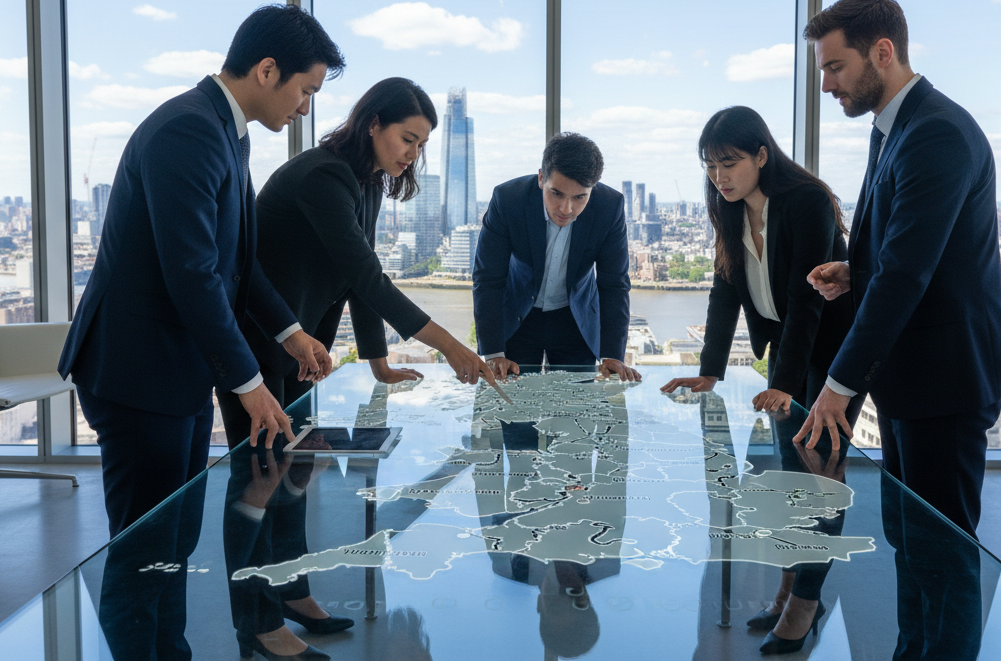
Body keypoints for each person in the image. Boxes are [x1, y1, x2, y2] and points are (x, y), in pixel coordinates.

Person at [57, 4, 341, 661]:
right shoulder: (187, 132)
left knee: (175, 543)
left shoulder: (226, 132)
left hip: (175, 372)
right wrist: (249, 386)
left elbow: (236, 266)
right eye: (305, 90)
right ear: (267, 70)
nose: (305, 107)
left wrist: (293, 335)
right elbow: (194, 276)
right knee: (143, 551)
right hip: (136, 374)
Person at [214, 76, 500, 659]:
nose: (412, 152)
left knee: (295, 470)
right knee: (257, 483)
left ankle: (292, 591)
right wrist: (449, 345)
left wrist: (377, 361)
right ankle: (257, 625)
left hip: (301, 348)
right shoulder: (325, 176)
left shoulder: (366, 183)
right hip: (259, 339)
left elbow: (355, 279)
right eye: (407, 137)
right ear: (373, 123)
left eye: (421, 144)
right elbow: (370, 277)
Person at [800, 0, 1001, 659]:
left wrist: (837, 387)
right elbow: (898, 252)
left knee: (943, 551)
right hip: (914, 378)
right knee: (908, 536)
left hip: (947, 380)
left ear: (883, 52)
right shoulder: (896, 126)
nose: (827, 84)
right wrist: (852, 269)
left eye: (836, 67)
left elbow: (909, 276)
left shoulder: (938, 134)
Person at [660, 106, 864, 652]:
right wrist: (709, 371)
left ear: (762, 156)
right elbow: (726, 287)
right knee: (790, 478)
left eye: (729, 163)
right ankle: (789, 587)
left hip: (837, 352)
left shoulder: (807, 202)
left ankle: (803, 607)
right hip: (789, 357)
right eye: (709, 166)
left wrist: (789, 384)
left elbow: (806, 302)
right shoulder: (726, 207)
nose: (718, 176)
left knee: (820, 475)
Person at [472, 133, 639, 381]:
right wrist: (494, 351)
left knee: (574, 414)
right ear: (541, 178)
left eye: (580, 197)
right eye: (557, 193)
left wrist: (613, 355)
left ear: (593, 188)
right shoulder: (508, 199)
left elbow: (614, 284)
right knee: (512, 413)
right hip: (518, 316)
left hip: (575, 320)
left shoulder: (609, 206)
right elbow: (488, 278)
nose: (566, 209)